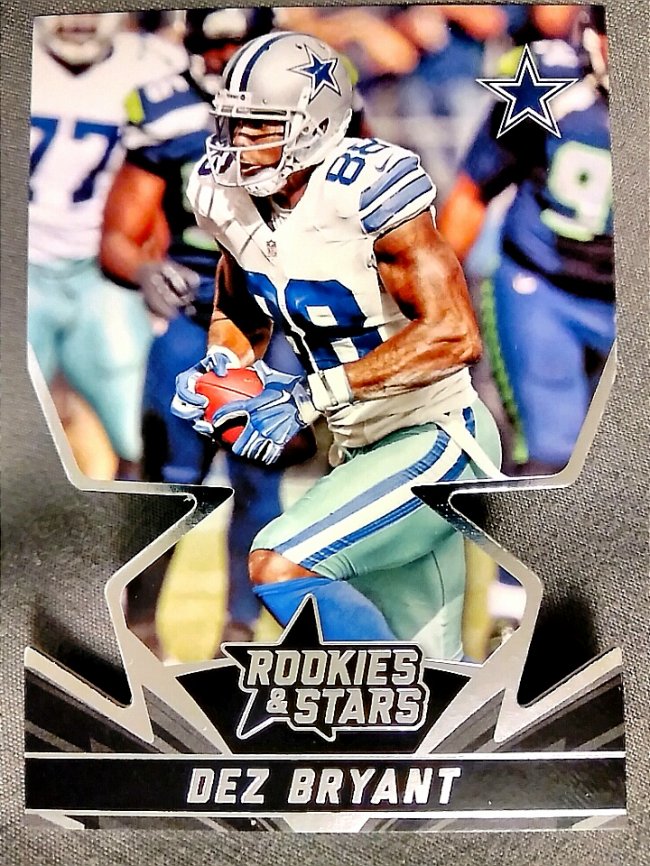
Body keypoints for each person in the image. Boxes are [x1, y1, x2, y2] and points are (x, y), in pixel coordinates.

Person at [172, 32, 502, 660]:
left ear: (314, 125)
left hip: (436, 436)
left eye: (261, 126)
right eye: (234, 123)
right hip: (358, 449)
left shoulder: (365, 190)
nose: (239, 142)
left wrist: (311, 394)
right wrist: (222, 365)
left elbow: (454, 333)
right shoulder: (225, 197)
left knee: (279, 559)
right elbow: (239, 306)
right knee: (432, 675)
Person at [101, 9, 304, 654]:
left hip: (280, 326)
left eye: (241, 44)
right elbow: (117, 237)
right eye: (216, 45)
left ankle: (240, 632)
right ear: (191, 45)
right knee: (170, 482)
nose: (227, 58)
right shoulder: (168, 113)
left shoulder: (316, 104)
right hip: (196, 317)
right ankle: (139, 629)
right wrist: (146, 269)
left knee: (260, 478)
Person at [438, 8, 614, 475]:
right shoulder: (550, 83)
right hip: (542, 288)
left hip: (628, 300)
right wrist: (433, 299)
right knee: (550, 460)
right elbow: (472, 193)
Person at [28, 13, 181, 479]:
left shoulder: (157, 65)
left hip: (102, 271)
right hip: (16, 268)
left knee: (136, 431)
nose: (80, 19)